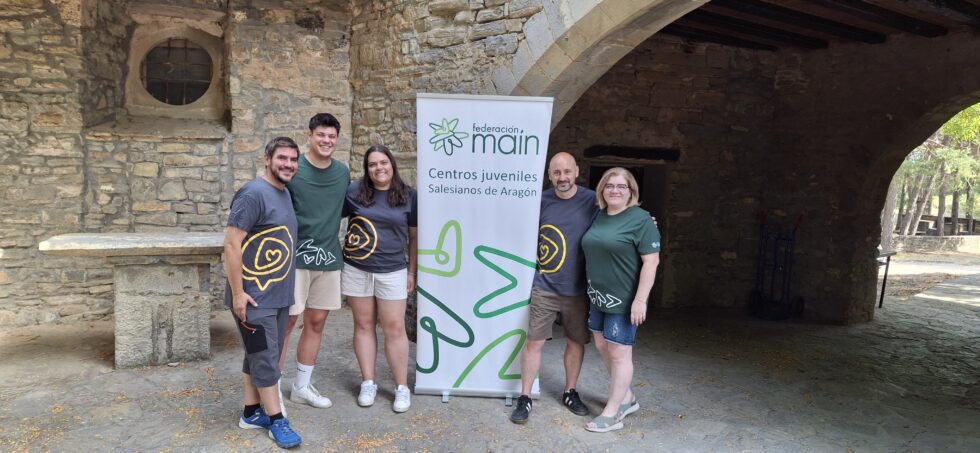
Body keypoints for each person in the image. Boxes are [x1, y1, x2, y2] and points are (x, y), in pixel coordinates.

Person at [224, 137, 303, 449]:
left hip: (278, 296)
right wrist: (238, 294)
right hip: (255, 298)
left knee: (256, 355)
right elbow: (232, 244)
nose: (288, 164)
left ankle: (250, 413)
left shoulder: (283, 193)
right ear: (267, 159)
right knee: (267, 358)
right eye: (282, 158)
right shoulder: (253, 193)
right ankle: (277, 420)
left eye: (293, 159)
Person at [510, 152, 596, 424]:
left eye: (567, 171)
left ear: (576, 171)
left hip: (578, 288)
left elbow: (620, 215)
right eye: (556, 172)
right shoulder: (540, 201)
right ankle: (524, 397)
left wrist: (644, 222)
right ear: (549, 175)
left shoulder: (593, 200)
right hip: (545, 286)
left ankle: (570, 392)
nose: (562, 177)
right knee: (534, 341)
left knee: (575, 341)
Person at [278, 113, 351, 409]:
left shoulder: (342, 173)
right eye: (321, 134)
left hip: (328, 256)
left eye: (332, 136)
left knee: (317, 322)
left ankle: (301, 386)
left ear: (337, 139)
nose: (326, 140)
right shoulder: (295, 168)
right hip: (294, 258)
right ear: (309, 135)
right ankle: (271, 390)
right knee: (286, 322)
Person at [580, 167, 661, 433]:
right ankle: (626, 398)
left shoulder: (641, 220)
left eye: (621, 186)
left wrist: (640, 300)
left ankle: (613, 413)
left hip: (624, 300)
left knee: (619, 353)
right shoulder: (599, 215)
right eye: (609, 185)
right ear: (602, 190)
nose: (615, 190)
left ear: (631, 191)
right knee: (602, 345)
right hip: (597, 296)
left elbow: (651, 262)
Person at [342, 145, 418, 413]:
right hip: (357, 269)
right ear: (367, 169)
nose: (379, 168)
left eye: (383, 162)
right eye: (372, 164)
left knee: (394, 328)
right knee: (363, 325)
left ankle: (401, 387)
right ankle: (368, 382)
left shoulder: (409, 195)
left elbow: (414, 237)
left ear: (392, 164)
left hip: (393, 270)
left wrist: (412, 271)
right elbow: (330, 215)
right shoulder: (354, 191)